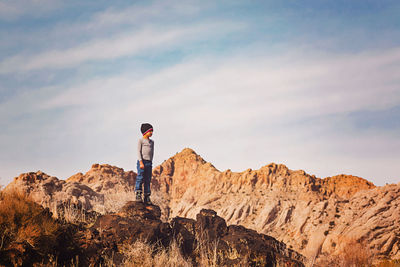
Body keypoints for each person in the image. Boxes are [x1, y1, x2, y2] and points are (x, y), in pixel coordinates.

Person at [135, 123, 154, 204]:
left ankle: (147, 196)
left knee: (147, 179)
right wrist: (141, 162)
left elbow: (152, 152)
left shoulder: (152, 142)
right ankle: (138, 194)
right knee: (140, 177)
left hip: (149, 163)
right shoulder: (141, 140)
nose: (152, 133)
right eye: (150, 131)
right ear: (145, 132)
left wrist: (151, 162)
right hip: (142, 162)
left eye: (152, 131)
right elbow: (138, 152)